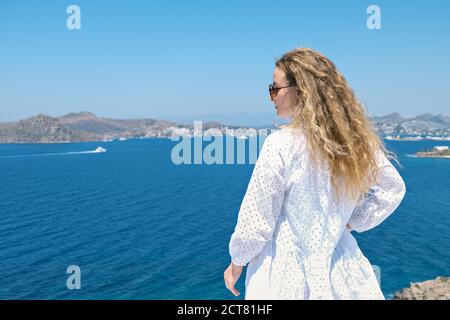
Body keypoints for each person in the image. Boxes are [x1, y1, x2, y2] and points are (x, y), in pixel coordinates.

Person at [223, 47, 406, 299]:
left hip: (285, 279)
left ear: (301, 90)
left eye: (275, 88)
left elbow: (256, 222)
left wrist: (237, 263)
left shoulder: (280, 144)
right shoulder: (355, 143)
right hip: (344, 274)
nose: (271, 96)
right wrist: (349, 222)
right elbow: (392, 189)